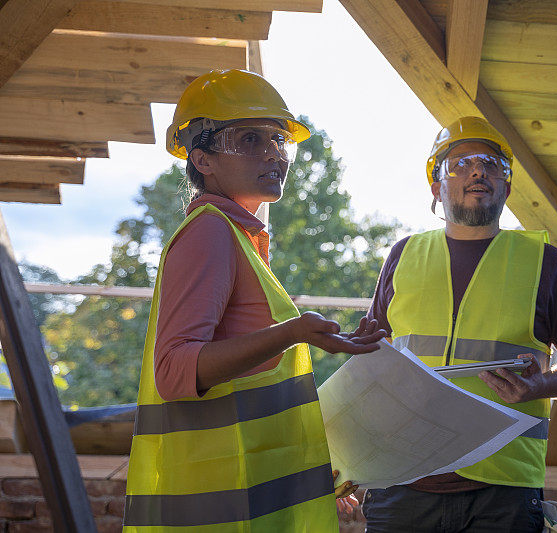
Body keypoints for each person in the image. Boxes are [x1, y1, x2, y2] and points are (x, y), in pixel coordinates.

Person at [123, 69, 384, 532]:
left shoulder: (240, 238)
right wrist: (293, 332)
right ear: (202, 159)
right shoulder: (210, 233)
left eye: (279, 141)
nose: (273, 154)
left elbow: (252, 388)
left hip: (252, 499)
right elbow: (176, 371)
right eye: (249, 140)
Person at [361, 116, 557, 532]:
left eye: (492, 164)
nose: (478, 170)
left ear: (507, 188)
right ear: (437, 187)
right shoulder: (404, 255)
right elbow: (370, 363)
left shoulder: (545, 263)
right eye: (460, 163)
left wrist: (541, 385)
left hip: (503, 490)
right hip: (403, 480)